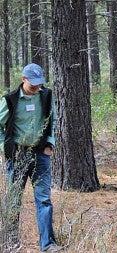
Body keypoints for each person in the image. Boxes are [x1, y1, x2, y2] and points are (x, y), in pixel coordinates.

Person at [0, 63, 59, 252]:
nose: (36, 87)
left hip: (41, 155)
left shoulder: (46, 96)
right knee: (14, 200)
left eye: (39, 83)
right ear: (23, 79)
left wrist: (49, 144)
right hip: (17, 156)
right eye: (32, 83)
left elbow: (53, 120)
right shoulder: (9, 100)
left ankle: (48, 244)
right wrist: (4, 147)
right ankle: (10, 242)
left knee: (44, 200)